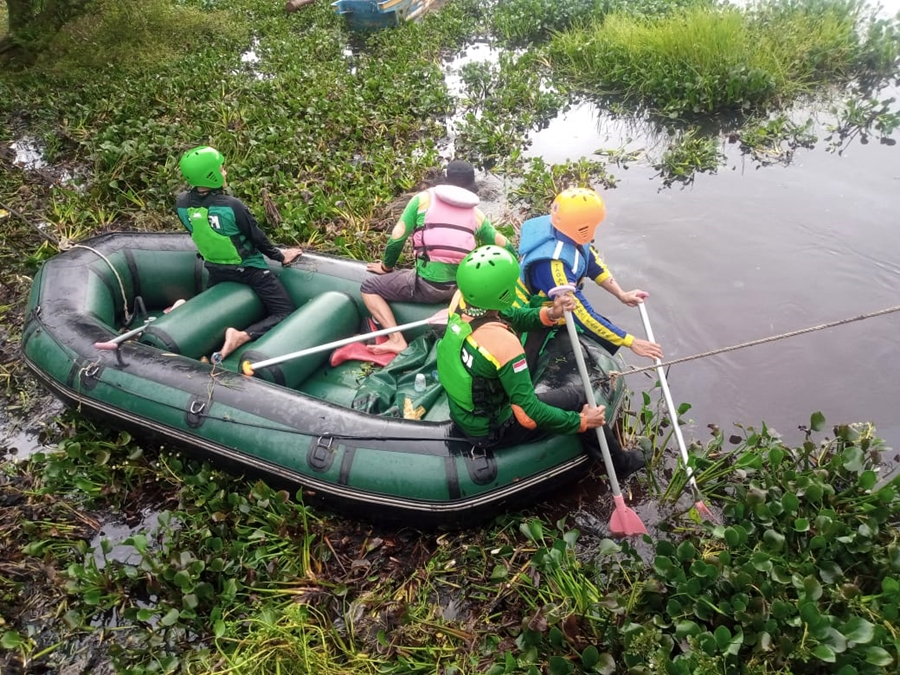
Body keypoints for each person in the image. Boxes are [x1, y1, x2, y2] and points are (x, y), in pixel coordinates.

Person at [436, 245, 646, 478]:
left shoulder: (462, 305)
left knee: (562, 395)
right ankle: (621, 465)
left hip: (466, 413)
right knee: (581, 399)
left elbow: (512, 316)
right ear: (504, 292)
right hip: (493, 430)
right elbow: (530, 410)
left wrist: (551, 314)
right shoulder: (503, 344)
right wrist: (579, 421)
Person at [361, 159, 517, 356]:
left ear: (445, 179)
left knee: (368, 288)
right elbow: (505, 246)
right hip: (462, 289)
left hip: (428, 287)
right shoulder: (476, 214)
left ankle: (396, 339)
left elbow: (396, 238)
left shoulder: (422, 200)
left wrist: (386, 267)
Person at [176, 145, 303, 361]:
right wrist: (280, 256)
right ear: (211, 175)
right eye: (221, 169)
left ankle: (188, 318)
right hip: (249, 270)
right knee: (284, 312)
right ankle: (242, 336)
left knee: (215, 315)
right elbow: (257, 237)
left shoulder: (181, 203)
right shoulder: (232, 206)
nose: (224, 172)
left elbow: (197, 232)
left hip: (215, 270)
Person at [516, 187, 663, 361]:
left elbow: (592, 264)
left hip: (556, 301)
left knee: (602, 332)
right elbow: (581, 313)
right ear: (583, 227)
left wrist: (621, 294)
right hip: (530, 311)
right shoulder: (554, 266)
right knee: (529, 358)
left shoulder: (567, 232)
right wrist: (630, 341)